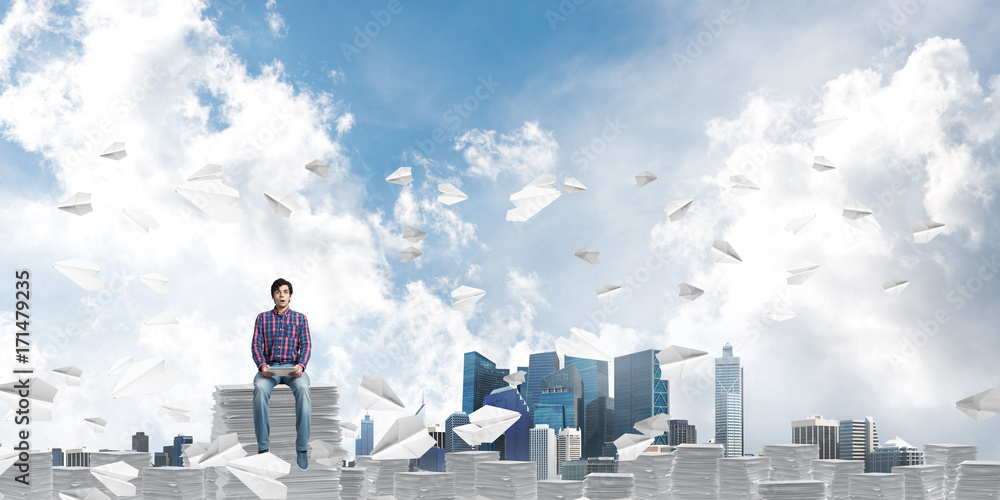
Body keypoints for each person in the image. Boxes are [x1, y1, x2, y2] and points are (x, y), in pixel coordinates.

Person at [252, 278, 312, 469]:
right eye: (278, 292)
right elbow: (255, 345)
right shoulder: (262, 318)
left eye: (285, 292)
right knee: (260, 389)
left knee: (303, 390)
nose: (282, 295)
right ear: (273, 296)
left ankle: (302, 448)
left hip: (293, 368)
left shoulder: (300, 318)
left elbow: (306, 345)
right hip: (269, 368)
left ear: (290, 296)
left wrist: (301, 366)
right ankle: (263, 449)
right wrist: (262, 366)